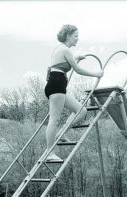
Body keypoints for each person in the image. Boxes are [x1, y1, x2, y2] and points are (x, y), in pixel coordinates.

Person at [44, 24, 103, 162]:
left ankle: (62, 133)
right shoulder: (65, 49)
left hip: (58, 86)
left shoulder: (62, 50)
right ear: (68, 36)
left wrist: (77, 57)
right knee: (54, 119)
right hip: (56, 85)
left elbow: (65, 62)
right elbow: (78, 70)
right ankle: (49, 152)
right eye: (76, 36)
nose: (78, 38)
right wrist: (96, 74)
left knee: (81, 111)